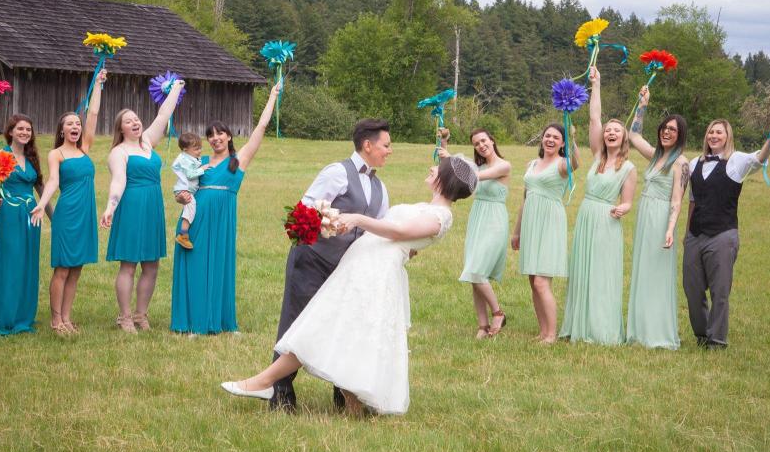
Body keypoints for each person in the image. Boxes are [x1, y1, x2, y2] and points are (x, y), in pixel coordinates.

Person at [221, 156, 478, 417]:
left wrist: (357, 219)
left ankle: (264, 382)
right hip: (361, 265)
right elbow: (405, 242)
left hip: (374, 273)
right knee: (341, 332)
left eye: (437, 168)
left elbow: (398, 232)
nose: (431, 168)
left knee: (325, 327)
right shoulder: (426, 207)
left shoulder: (440, 217)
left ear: (443, 180)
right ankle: (348, 405)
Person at [270, 116, 392, 413]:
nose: (390, 151)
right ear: (368, 145)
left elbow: (381, 227)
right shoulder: (337, 172)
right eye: (386, 145)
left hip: (347, 271)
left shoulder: (381, 188)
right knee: (296, 323)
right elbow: (306, 209)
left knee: (343, 328)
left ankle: (343, 393)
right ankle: (281, 392)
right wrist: (329, 224)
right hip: (313, 260)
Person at [169, 82, 281, 335]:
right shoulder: (200, 162)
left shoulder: (237, 161)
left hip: (222, 220)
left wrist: (272, 96)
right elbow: (183, 187)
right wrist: (181, 198)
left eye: (220, 133)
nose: (215, 138)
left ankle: (221, 322)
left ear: (229, 136)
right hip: (195, 219)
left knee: (219, 267)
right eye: (210, 135)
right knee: (195, 267)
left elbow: (261, 128)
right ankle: (193, 323)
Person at [683, 119, 770, 348]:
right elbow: (693, 201)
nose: (714, 136)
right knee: (692, 288)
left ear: (727, 137)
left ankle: (716, 340)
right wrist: (687, 234)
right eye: (711, 132)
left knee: (720, 290)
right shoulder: (695, 163)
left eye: (719, 132)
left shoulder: (737, 161)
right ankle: (702, 333)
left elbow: (761, 158)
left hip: (722, 234)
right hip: (695, 234)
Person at [100, 79, 184, 332]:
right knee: (129, 264)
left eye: (136, 119)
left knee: (152, 264)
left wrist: (177, 88)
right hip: (132, 207)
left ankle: (140, 314)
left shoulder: (147, 141)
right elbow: (118, 182)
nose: (135, 122)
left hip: (152, 207)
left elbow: (163, 113)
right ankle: (124, 317)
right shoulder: (119, 152)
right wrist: (110, 208)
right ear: (121, 129)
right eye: (129, 121)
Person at [561, 66, 637, 344]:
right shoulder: (596, 157)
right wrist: (596, 84)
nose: (610, 132)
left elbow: (628, 202)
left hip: (607, 221)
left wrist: (623, 209)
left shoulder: (628, 167)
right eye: (609, 130)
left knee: (602, 273)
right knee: (583, 271)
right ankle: (579, 324)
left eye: (617, 130)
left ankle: (601, 328)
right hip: (586, 218)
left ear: (624, 137)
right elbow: (594, 118)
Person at [30, 69, 106, 335]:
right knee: (62, 268)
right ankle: (55, 320)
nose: (75, 126)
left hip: (86, 214)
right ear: (61, 130)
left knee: (77, 269)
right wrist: (43, 203)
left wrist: (98, 85)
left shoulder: (84, 148)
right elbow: (52, 181)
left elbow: (93, 115)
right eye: (70, 124)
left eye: (77, 123)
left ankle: (67, 317)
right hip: (68, 214)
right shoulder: (57, 154)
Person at [625, 87, 689, 350]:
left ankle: (657, 332)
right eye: (664, 128)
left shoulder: (680, 163)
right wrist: (643, 105)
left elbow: (677, 200)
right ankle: (639, 329)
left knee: (658, 272)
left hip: (662, 218)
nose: (666, 132)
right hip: (645, 215)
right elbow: (633, 134)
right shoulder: (655, 155)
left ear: (680, 135)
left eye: (672, 130)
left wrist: (671, 229)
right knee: (643, 270)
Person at [440, 127, 511, 338]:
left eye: (483, 141)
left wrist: (451, 156)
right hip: (478, 218)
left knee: (478, 271)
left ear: (492, 140)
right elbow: (453, 170)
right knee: (473, 273)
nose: (481, 146)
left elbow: (474, 175)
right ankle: (482, 325)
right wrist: (444, 144)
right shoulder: (477, 165)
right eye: (476, 144)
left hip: (495, 220)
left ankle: (498, 313)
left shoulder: (503, 165)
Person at [511, 121, 578, 343]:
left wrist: (573, 138)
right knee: (533, 279)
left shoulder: (563, 163)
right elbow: (525, 197)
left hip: (550, 221)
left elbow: (575, 163)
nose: (550, 140)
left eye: (556, 138)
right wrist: (517, 231)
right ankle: (542, 330)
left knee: (541, 281)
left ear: (562, 144)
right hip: (531, 221)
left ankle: (551, 334)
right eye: (547, 136)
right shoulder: (533, 163)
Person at [0, 114, 47, 335]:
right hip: (9, 214)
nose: (25, 133)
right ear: (10, 131)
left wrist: (56, 219)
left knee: (27, 263)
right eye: (20, 129)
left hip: (31, 216)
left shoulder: (32, 158)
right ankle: (3, 315)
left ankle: (22, 315)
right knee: (10, 262)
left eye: (28, 129)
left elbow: (42, 191)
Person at [171, 132, 208, 250]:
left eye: (200, 147)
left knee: (189, 208)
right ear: (185, 149)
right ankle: (183, 235)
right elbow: (190, 174)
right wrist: (202, 169)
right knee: (190, 208)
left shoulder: (189, 157)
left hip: (187, 190)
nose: (200, 151)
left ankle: (184, 233)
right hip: (185, 190)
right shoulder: (184, 160)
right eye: (196, 149)